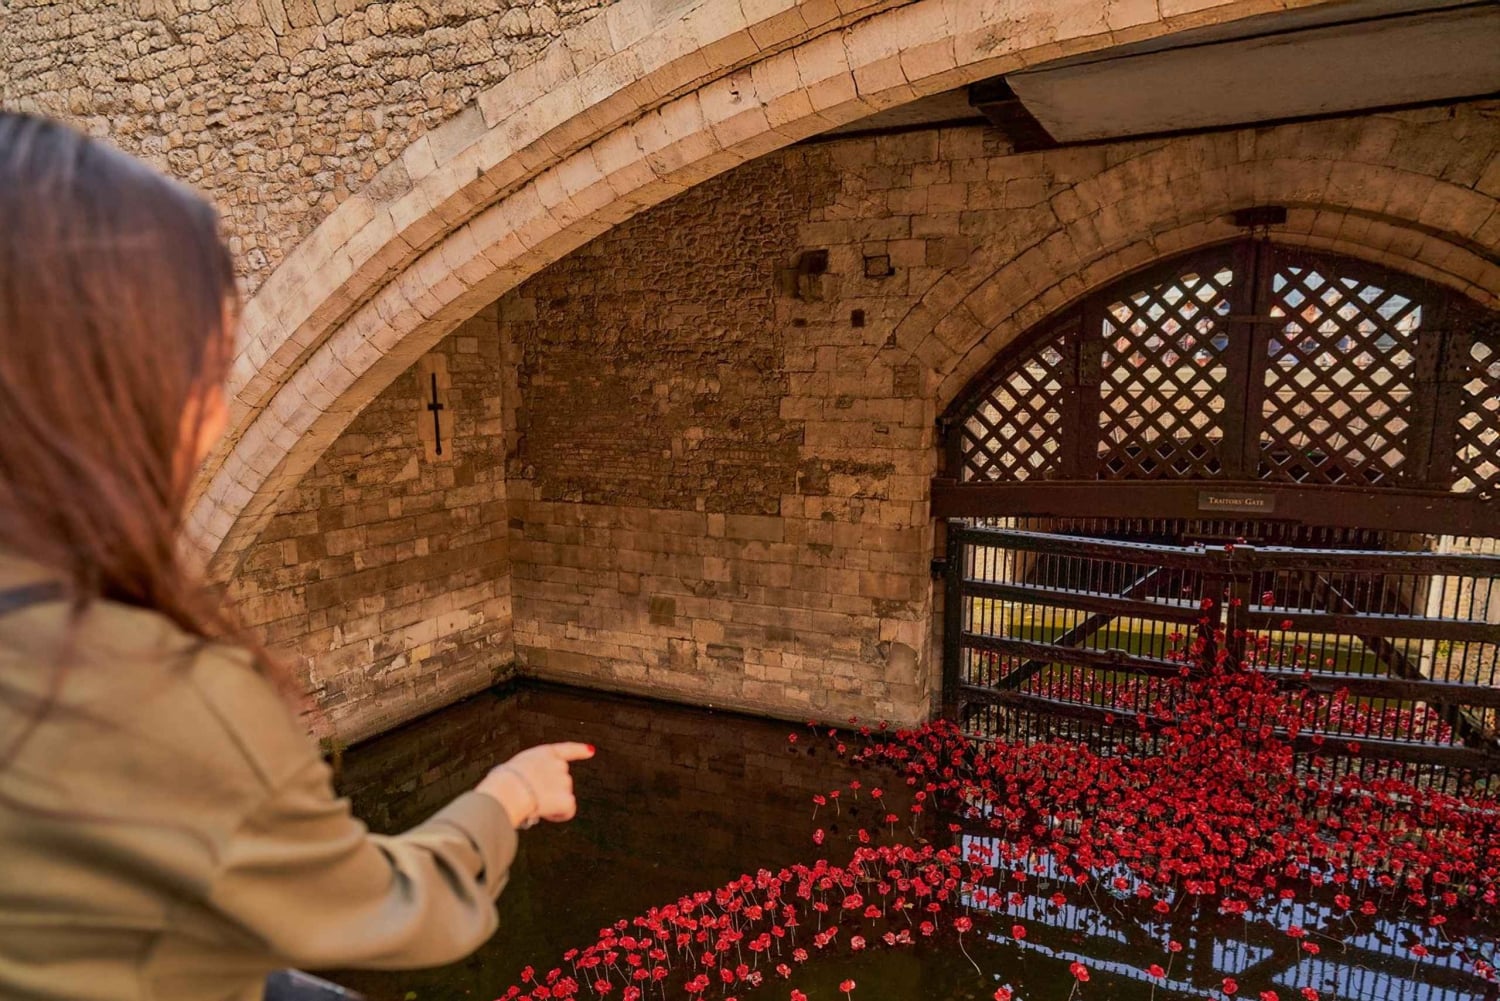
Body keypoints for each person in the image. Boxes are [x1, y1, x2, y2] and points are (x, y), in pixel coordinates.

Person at [0, 112, 593, 999]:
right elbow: (405, 910)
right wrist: (509, 792)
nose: (219, 415)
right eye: (208, 367)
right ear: (122, 384)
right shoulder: (143, 688)